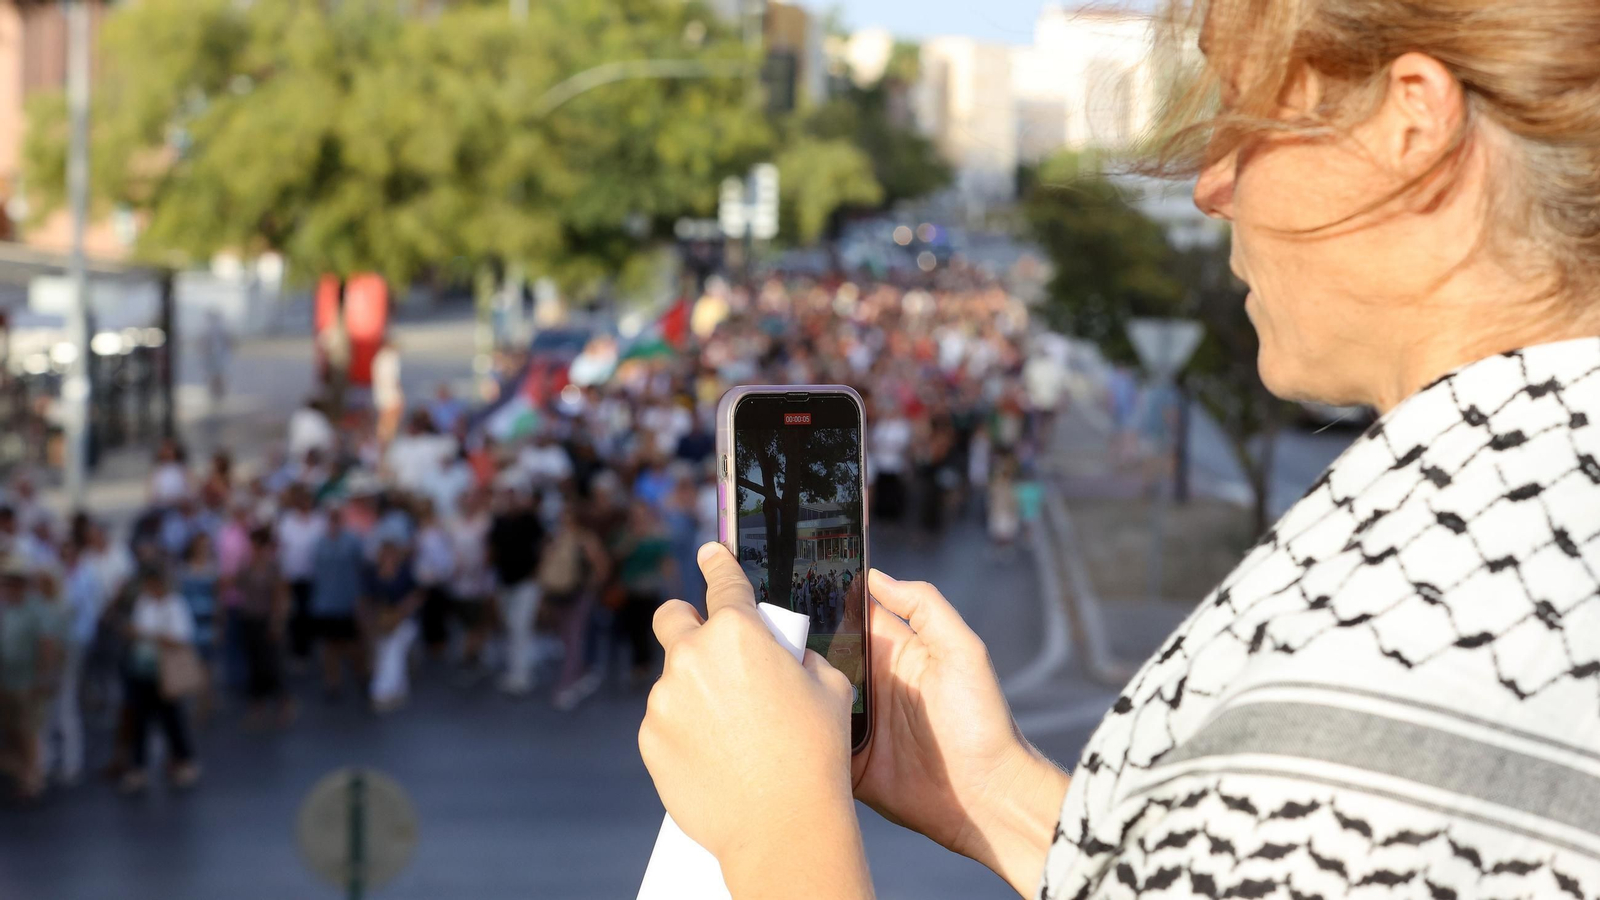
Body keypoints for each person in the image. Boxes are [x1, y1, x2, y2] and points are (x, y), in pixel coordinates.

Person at [635, 2, 1600, 897]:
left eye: (1244, 108)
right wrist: (993, 795)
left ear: (1412, 123)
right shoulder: (1522, 515)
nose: (1213, 181)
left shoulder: (1412, 639)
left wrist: (779, 828)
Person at [121, 567, 199, 793]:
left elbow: (181, 638)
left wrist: (150, 635)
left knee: (172, 719)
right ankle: (138, 767)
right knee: (140, 721)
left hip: (164, 672)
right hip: (142, 670)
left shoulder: (175, 605)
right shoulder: (144, 602)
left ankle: (184, 761)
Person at [0, 557, 59, 798]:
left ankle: (33, 778)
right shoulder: (6, 608)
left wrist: (44, 677)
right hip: (7, 680)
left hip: (29, 681)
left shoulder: (36, 609)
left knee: (29, 731)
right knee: (12, 730)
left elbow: (47, 644)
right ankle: (20, 772)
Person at [232, 528, 293, 728]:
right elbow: (237, 584)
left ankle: (283, 704)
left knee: (272, 664)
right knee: (254, 663)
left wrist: (277, 622)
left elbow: (280, 595)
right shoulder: (247, 565)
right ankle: (257, 706)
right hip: (250, 618)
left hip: (267, 619)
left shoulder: (273, 566)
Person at [487, 483, 544, 696]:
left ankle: (521, 676)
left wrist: (537, 576)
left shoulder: (530, 520)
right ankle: (516, 669)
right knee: (510, 627)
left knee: (520, 627)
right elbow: (493, 551)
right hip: (504, 582)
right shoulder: (499, 521)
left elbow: (542, 547)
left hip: (526, 583)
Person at [307, 508, 367, 700]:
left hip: (348, 601)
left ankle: (361, 675)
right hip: (325, 603)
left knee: (353, 643)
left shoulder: (353, 541)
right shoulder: (319, 543)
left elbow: (361, 569)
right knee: (329, 645)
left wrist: (360, 599)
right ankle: (332, 681)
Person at [365, 540, 422, 713]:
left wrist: (400, 613)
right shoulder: (373, 574)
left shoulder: (405, 573)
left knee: (393, 650)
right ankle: (397, 689)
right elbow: (368, 601)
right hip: (380, 622)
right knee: (384, 653)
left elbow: (416, 595)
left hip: (403, 621)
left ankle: (382, 691)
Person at [275, 485, 324, 664]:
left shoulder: (319, 521)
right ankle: (298, 649)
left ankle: (311, 646)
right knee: (295, 613)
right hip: (292, 575)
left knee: (311, 611)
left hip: (314, 575)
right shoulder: (286, 521)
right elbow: (280, 548)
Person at [411, 499, 455, 661]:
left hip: (437, 580)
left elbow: (443, 555)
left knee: (437, 616)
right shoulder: (418, 530)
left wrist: (443, 572)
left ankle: (439, 647)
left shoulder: (438, 530)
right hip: (424, 580)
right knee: (426, 616)